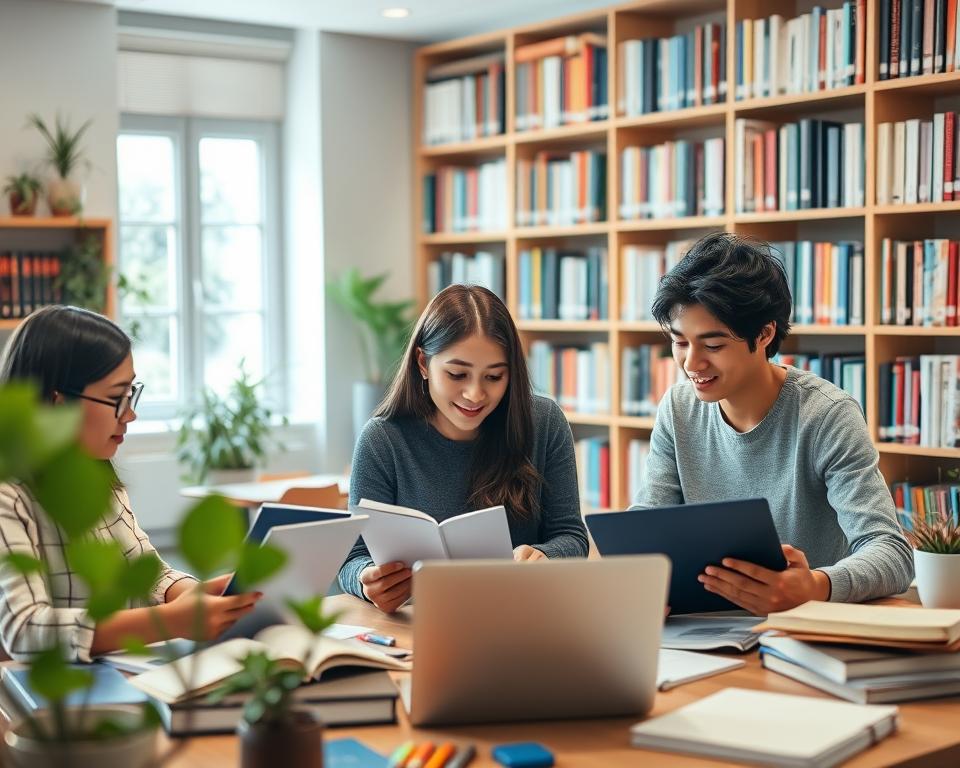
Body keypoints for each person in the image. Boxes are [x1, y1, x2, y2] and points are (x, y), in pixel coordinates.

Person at [635, 232, 913, 613]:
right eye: (680, 342)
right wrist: (642, 582)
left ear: (764, 334)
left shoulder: (827, 415)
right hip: (705, 626)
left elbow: (892, 552)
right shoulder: (677, 408)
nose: (691, 364)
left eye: (713, 345)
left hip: (802, 625)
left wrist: (815, 585)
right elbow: (646, 528)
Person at [0, 305, 261, 661]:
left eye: (131, 394)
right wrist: (170, 621)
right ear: (59, 403)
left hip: (114, 672)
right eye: (115, 398)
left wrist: (192, 594)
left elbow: (149, 573)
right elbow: (24, 630)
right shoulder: (9, 495)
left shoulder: (98, 480)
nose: (131, 414)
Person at [338, 284, 589, 613]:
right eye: (457, 374)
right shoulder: (383, 439)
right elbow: (353, 558)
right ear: (423, 363)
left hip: (520, 616)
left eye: (494, 377)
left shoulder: (544, 423)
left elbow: (571, 536)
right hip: (419, 622)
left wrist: (546, 556)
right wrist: (367, 580)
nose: (475, 394)